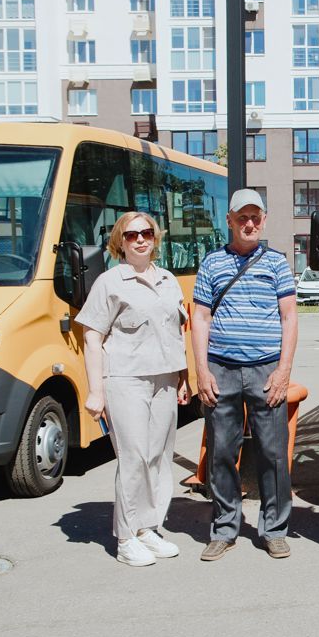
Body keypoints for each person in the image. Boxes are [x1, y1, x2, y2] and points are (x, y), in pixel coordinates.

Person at [77, 212, 191, 566]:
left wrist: (184, 377)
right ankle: (126, 538)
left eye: (146, 233)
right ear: (120, 242)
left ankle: (148, 528)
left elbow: (176, 332)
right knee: (134, 457)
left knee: (159, 456)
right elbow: (91, 338)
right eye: (131, 235)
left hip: (165, 380)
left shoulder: (169, 280)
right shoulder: (109, 282)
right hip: (126, 380)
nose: (140, 239)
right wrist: (95, 392)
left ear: (155, 238)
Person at [191, 189, 298, 561]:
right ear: (230, 221)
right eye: (242, 218)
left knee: (273, 453)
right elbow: (200, 318)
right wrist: (201, 370)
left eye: (255, 217)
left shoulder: (277, 263)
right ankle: (224, 528)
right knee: (221, 451)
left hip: (266, 370)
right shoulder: (212, 263)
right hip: (220, 369)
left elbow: (289, 318)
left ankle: (274, 530)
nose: (249, 224)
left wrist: (283, 371)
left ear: (264, 220)